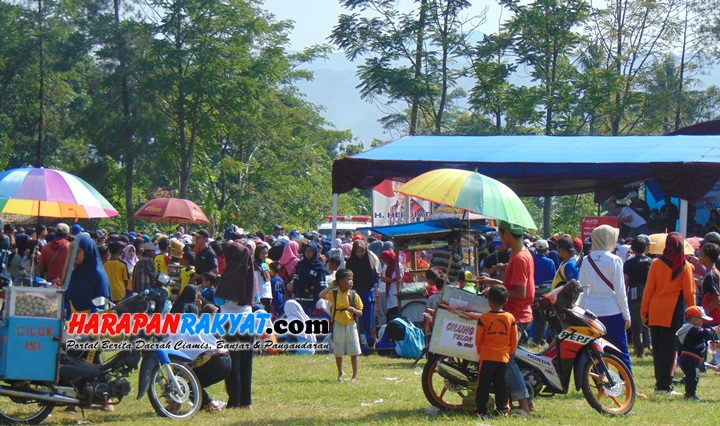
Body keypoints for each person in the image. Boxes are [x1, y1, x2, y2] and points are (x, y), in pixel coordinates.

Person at [477, 220, 533, 416]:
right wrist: (494, 282)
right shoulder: (523, 254)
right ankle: (527, 401)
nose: (499, 239)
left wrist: (493, 291)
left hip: (516, 315)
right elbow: (512, 285)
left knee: (507, 360)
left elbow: (520, 292)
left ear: (507, 233)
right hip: (519, 313)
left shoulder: (518, 258)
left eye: (500, 235)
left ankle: (524, 405)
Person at [641, 232, 696, 395]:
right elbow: (689, 293)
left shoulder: (656, 263)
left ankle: (660, 383)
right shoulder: (684, 266)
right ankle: (665, 386)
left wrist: (643, 312)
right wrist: (693, 313)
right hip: (672, 311)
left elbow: (648, 289)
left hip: (654, 310)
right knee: (671, 350)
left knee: (657, 350)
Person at [578, 225, 633, 379]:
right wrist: (626, 315)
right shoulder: (615, 260)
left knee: (594, 350)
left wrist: (580, 311)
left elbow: (582, 289)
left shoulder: (585, 260)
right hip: (612, 310)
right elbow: (621, 290)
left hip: (591, 311)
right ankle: (627, 381)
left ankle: (599, 380)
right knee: (621, 349)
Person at [214, 242, 256, 409]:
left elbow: (219, 300)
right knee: (246, 362)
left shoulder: (229, 274)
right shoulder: (249, 271)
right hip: (247, 319)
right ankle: (246, 402)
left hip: (229, 321)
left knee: (234, 362)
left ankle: (234, 401)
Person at [473, 284, 518, 420]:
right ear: (506, 301)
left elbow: (478, 339)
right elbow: (514, 339)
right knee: (502, 385)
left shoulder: (484, 318)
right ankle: (502, 410)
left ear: (489, 301)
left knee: (483, 385)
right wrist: (508, 352)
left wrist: (482, 352)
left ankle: (480, 410)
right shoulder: (510, 318)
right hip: (503, 357)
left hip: (487, 355)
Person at [319, 268, 363, 383]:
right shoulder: (334, 294)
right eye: (348, 279)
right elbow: (321, 295)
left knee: (354, 350)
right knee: (338, 350)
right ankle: (340, 372)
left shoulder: (353, 294)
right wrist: (331, 286)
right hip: (338, 323)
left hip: (351, 324)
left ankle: (355, 375)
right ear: (340, 281)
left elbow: (360, 312)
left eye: (352, 279)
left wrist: (354, 311)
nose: (351, 282)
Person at [676, 306, 720, 401]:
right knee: (693, 377)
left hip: (689, 359)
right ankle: (690, 395)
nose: (703, 322)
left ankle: (689, 393)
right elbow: (706, 333)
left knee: (691, 377)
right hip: (690, 359)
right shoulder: (692, 329)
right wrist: (713, 329)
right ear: (695, 319)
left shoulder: (687, 329)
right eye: (702, 319)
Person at [65, 233, 111, 319]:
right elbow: (69, 300)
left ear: (87, 251)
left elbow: (101, 304)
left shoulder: (98, 275)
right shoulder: (76, 272)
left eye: (78, 251)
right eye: (73, 251)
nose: (74, 254)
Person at [623, 235, 653, 358]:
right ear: (645, 247)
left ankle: (639, 350)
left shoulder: (629, 263)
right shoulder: (650, 261)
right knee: (649, 321)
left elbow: (625, 281)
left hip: (634, 294)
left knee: (636, 324)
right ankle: (651, 345)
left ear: (633, 249)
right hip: (648, 293)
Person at [345, 240, 377, 349]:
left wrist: (374, 287)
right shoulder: (350, 262)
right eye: (357, 251)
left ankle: (369, 341)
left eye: (362, 251)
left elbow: (374, 277)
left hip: (368, 294)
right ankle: (360, 342)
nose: (360, 254)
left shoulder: (370, 260)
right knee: (359, 319)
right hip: (355, 293)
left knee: (368, 319)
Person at [531, 239, 556, 346]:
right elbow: (553, 280)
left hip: (531, 293)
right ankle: (537, 340)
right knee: (544, 318)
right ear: (547, 249)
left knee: (535, 317)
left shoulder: (531, 260)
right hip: (544, 295)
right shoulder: (550, 262)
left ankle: (536, 339)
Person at [293, 241, 327, 316]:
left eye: (310, 251)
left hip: (314, 297)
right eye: (306, 251)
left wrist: (322, 296)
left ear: (314, 252)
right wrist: (293, 293)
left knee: (312, 318)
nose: (308, 253)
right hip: (300, 297)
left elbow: (322, 283)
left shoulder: (319, 265)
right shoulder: (300, 264)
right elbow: (296, 279)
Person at [253, 245, 273, 312]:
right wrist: (257, 297)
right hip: (260, 296)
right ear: (258, 253)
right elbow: (255, 282)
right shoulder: (255, 266)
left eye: (266, 253)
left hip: (267, 295)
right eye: (262, 253)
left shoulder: (265, 264)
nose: (264, 255)